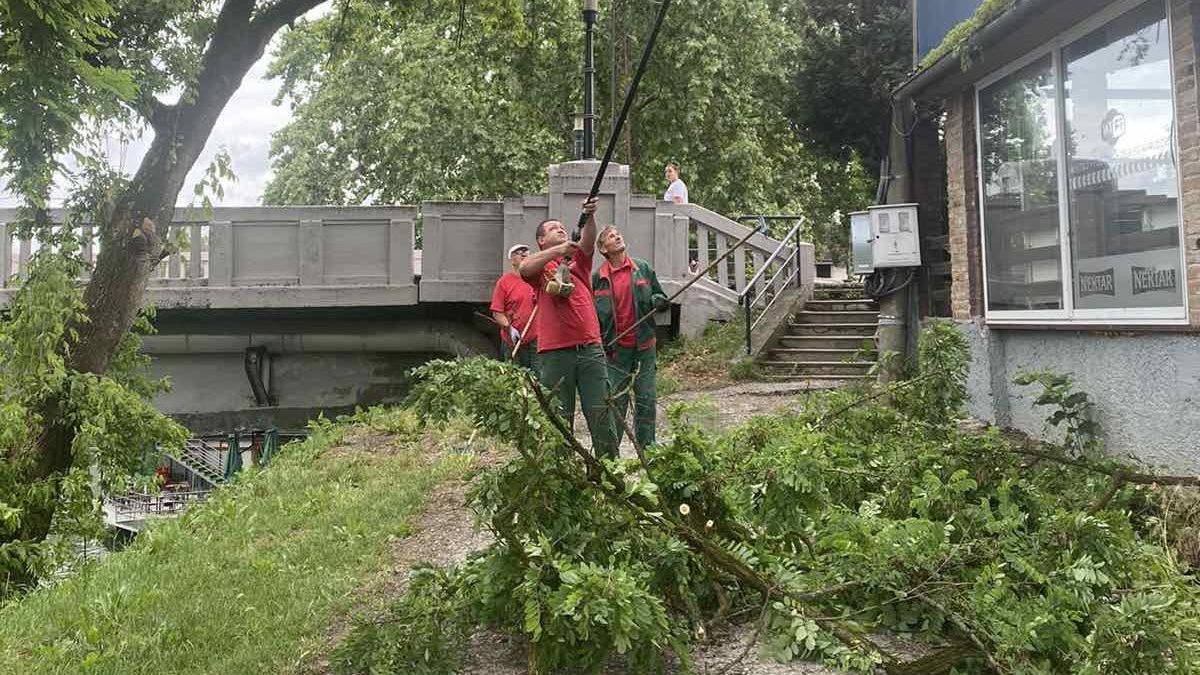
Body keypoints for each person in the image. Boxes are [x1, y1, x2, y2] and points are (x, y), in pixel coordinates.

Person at [519, 197, 617, 459]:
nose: (560, 229)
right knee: (559, 419)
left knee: (601, 413)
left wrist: (589, 215)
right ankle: (561, 475)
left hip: (590, 349)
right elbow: (525, 267)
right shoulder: (543, 267)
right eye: (553, 228)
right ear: (541, 240)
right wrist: (559, 250)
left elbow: (587, 243)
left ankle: (609, 474)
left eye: (562, 227)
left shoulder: (578, 265)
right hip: (554, 353)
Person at [593, 225, 668, 449]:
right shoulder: (599, 278)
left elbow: (658, 294)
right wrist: (601, 341)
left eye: (618, 234)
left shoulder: (642, 268)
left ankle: (648, 451)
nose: (617, 237)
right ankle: (613, 454)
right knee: (616, 402)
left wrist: (659, 302)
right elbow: (593, 315)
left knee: (646, 399)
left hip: (644, 346)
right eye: (610, 236)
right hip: (616, 351)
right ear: (603, 249)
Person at [489, 243, 538, 370]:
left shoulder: (537, 279)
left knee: (537, 378)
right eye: (518, 252)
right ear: (512, 259)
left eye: (526, 252)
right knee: (515, 377)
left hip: (536, 340)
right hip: (513, 342)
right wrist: (509, 328)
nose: (523, 254)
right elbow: (497, 312)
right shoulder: (504, 282)